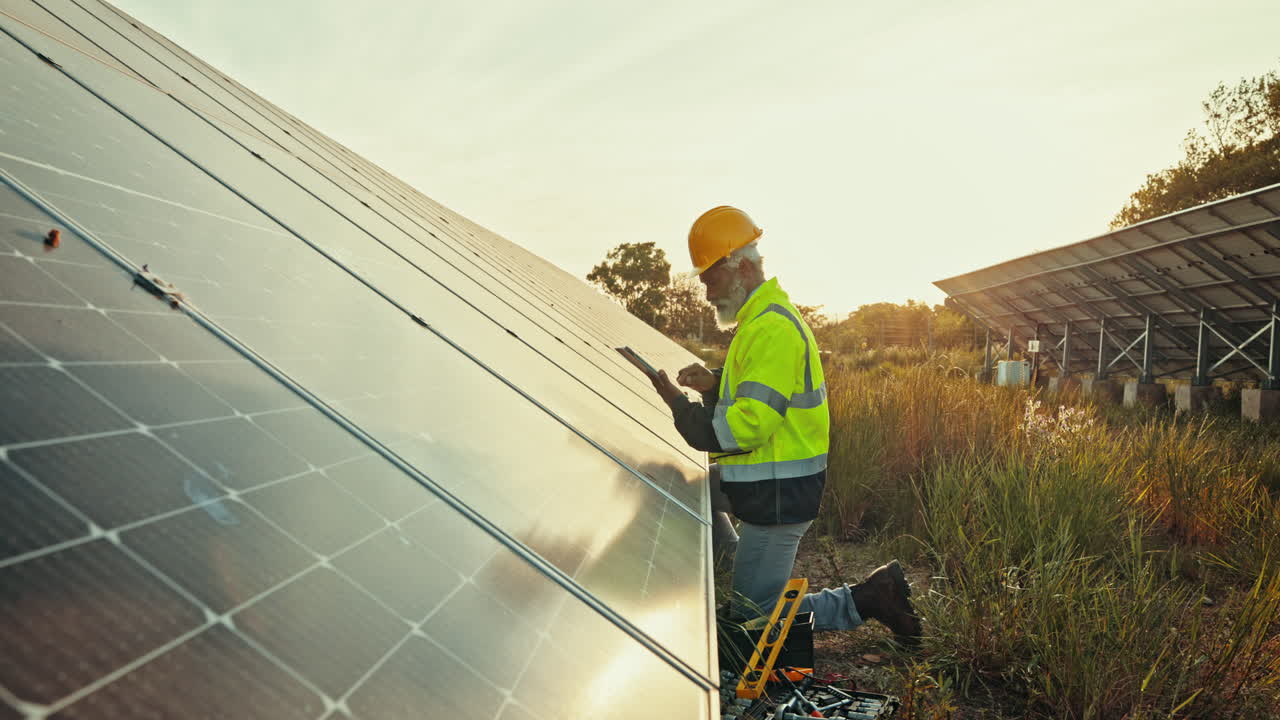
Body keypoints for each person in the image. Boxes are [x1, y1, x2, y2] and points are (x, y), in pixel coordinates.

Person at [645, 205, 921, 642]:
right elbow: (760, 396)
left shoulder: (771, 328)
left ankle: (868, 599)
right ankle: (738, 560)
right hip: (764, 479)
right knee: (688, 486)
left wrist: (679, 405)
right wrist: (715, 384)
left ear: (745, 268)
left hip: (777, 493)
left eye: (711, 279)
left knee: (752, 623)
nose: (706, 293)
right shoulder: (759, 321)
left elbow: (748, 426)